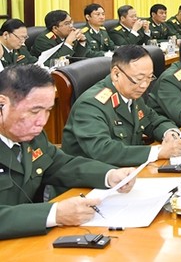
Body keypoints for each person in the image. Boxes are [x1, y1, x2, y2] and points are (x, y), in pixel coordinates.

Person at [0, 65, 136, 240]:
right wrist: (54, 214)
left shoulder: (33, 136)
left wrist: (110, 175)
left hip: (24, 241)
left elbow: (60, 165)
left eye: (48, 110)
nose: (42, 121)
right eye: (34, 111)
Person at [61, 46, 181, 166]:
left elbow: (153, 121)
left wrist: (170, 133)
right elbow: (103, 150)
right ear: (116, 74)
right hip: (89, 182)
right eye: (138, 79)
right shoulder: (90, 105)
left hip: (126, 171)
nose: (144, 85)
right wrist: (158, 152)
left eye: (149, 78)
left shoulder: (131, 94)